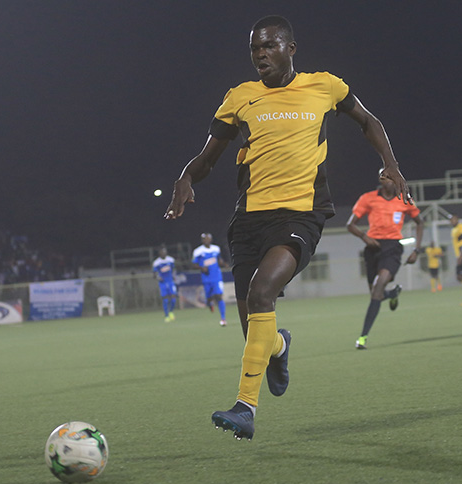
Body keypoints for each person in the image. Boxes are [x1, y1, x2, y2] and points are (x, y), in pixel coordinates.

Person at [164, 15, 411, 441]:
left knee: (262, 293)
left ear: (290, 49)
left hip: (301, 214)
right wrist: (185, 178)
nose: (261, 54)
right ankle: (279, 345)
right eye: (255, 48)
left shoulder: (325, 86)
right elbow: (208, 157)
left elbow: (370, 122)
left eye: (270, 46)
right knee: (252, 328)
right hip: (248, 219)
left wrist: (390, 163)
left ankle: (245, 406)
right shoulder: (239, 97)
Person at [347, 171, 423, 349]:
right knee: (376, 294)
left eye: (389, 177)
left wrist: (416, 250)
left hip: (393, 248)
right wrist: (364, 237)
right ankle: (392, 294)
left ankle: (363, 337)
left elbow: (420, 222)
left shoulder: (404, 199)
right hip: (373, 248)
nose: (386, 180)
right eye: (383, 177)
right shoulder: (368, 198)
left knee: (378, 288)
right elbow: (350, 224)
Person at [193, 233, 228, 326]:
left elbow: (219, 259)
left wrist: (223, 263)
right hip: (206, 278)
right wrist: (202, 268)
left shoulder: (216, 249)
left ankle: (223, 319)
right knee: (209, 297)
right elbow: (194, 264)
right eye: (205, 239)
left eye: (208, 239)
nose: (207, 241)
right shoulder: (198, 251)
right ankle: (210, 304)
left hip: (217, 277)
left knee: (219, 295)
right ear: (202, 240)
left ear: (211, 240)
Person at [152, 246, 178, 322]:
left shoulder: (170, 260)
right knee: (166, 300)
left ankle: (171, 312)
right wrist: (158, 277)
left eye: (164, 252)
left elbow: (174, 269)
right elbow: (154, 274)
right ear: (159, 253)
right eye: (162, 252)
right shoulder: (156, 263)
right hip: (163, 283)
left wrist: (174, 275)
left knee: (173, 298)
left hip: (170, 282)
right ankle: (166, 316)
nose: (163, 253)